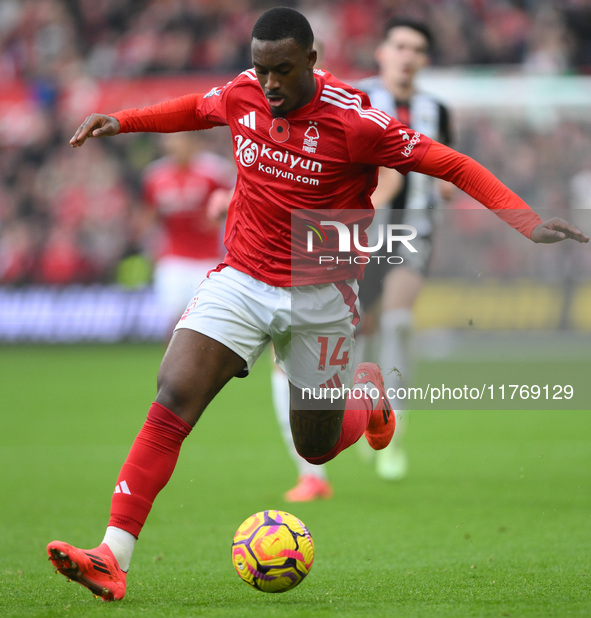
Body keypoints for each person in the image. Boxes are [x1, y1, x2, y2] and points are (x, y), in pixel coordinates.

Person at [46, 7, 588, 602]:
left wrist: (526, 222)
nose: (270, 84)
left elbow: (449, 163)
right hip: (242, 280)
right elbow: (195, 109)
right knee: (173, 394)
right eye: (261, 70)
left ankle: (368, 397)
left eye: (282, 70)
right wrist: (119, 122)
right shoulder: (244, 93)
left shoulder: (358, 123)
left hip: (321, 300)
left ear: (312, 60)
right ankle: (112, 554)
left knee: (315, 444)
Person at [277, 17, 454, 497]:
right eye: (399, 45)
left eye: (417, 48)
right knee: (340, 338)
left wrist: (446, 194)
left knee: (396, 323)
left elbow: (440, 171)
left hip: (409, 233)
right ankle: (348, 426)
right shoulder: (352, 98)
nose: (407, 55)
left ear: (424, 59)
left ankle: (394, 427)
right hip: (348, 235)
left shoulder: (437, 110)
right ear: (381, 51)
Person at [140, 132, 235, 336]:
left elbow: (233, 205)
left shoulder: (215, 172)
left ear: (193, 141)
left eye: (177, 139)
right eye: (168, 139)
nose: (171, 144)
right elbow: (150, 215)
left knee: (208, 322)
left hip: (209, 259)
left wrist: (215, 219)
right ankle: (173, 368)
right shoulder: (155, 175)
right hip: (173, 258)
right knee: (174, 320)